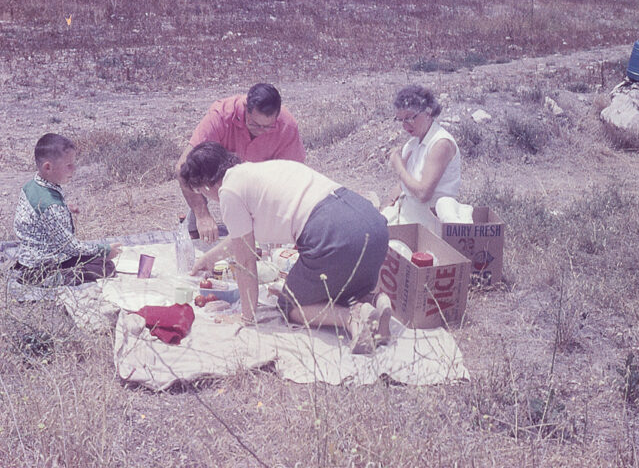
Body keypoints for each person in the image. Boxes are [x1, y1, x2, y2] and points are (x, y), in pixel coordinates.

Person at [180, 142, 392, 354]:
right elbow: (241, 238)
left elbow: (246, 260)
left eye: (199, 191)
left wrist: (246, 315)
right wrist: (210, 258)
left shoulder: (229, 192)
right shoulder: (256, 171)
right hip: (374, 226)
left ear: (205, 185)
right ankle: (374, 303)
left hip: (335, 235)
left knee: (289, 306)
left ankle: (352, 318)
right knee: (336, 288)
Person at [176, 83, 306, 244]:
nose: (260, 130)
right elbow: (183, 168)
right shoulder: (221, 114)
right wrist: (202, 215)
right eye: (254, 124)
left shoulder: (287, 125)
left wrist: (277, 222)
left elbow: (292, 179)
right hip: (217, 180)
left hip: (260, 189)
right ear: (245, 108)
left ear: (277, 116)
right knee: (196, 241)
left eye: (267, 127)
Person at [13, 133, 122, 286]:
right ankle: (52, 279)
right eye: (69, 165)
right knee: (105, 266)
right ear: (48, 167)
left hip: (28, 258)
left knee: (94, 259)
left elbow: (40, 214)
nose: (74, 169)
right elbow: (70, 247)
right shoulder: (51, 206)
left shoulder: (31, 186)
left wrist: (64, 208)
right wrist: (104, 250)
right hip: (43, 265)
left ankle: (41, 276)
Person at [383, 85, 461, 231]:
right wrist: (384, 209)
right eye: (400, 120)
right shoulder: (413, 143)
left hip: (428, 227)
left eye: (410, 118)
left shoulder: (441, 144)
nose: (405, 126)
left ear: (428, 112)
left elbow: (423, 193)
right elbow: (402, 185)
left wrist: (398, 166)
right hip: (408, 217)